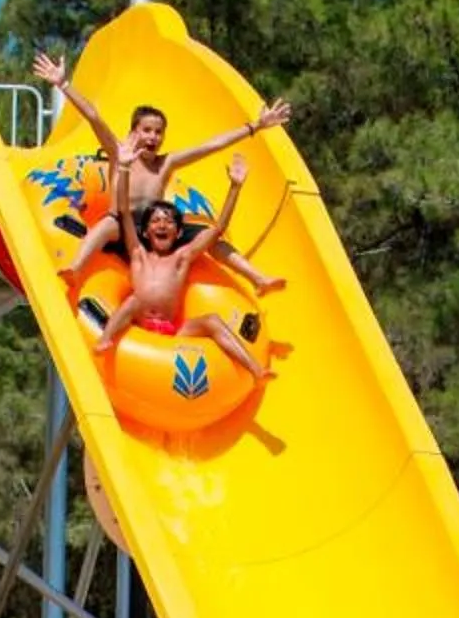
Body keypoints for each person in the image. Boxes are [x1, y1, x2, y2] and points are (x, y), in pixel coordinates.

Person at [32, 52, 289, 295]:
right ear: (134, 132)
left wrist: (256, 126)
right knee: (106, 224)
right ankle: (76, 269)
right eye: (147, 130)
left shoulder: (166, 163)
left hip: (152, 232)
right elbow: (93, 117)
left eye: (158, 132)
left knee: (208, 236)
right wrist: (63, 84)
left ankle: (258, 279)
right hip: (122, 229)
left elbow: (212, 145)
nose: (153, 137)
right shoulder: (119, 152)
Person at [95, 164, 271, 384]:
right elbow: (124, 213)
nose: (162, 225)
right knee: (133, 301)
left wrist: (235, 187)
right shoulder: (138, 254)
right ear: (145, 231)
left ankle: (255, 369)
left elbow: (217, 229)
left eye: (169, 222)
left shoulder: (182, 258)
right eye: (156, 221)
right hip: (138, 326)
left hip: (174, 332)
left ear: (178, 232)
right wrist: (123, 169)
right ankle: (105, 339)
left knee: (213, 321)